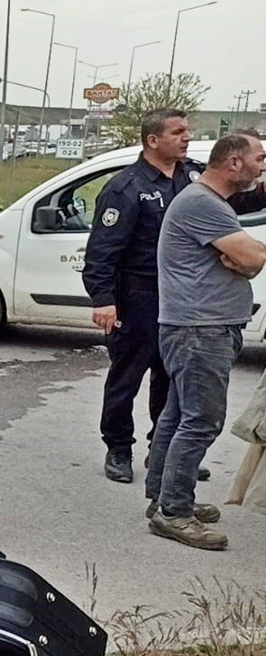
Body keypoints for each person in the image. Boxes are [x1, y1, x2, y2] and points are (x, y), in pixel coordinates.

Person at [82, 110, 266, 483]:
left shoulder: (193, 176)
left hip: (181, 296)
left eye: (187, 131)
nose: (187, 137)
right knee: (126, 377)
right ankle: (118, 448)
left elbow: (236, 202)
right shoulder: (126, 187)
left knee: (172, 381)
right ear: (153, 140)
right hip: (139, 296)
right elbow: (102, 251)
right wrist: (103, 299)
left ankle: (164, 452)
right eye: (178, 132)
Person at [145, 132, 266, 550]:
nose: (263, 165)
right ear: (234, 163)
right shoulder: (202, 204)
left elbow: (245, 261)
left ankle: (163, 499)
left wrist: (244, 260)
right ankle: (173, 513)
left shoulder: (211, 204)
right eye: (260, 157)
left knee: (178, 416)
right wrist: (247, 258)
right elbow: (252, 259)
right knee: (200, 421)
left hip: (198, 327)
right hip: (200, 330)